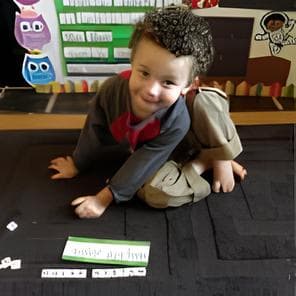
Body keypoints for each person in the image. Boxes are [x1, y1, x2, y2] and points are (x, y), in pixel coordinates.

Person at [49, 5, 246, 218]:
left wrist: (102, 198)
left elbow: (141, 162)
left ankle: (221, 155)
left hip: (194, 129)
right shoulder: (112, 91)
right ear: (132, 63)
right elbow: (95, 130)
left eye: (168, 82)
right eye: (144, 73)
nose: (151, 90)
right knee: (154, 194)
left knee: (205, 101)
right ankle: (203, 161)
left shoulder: (179, 116)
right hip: (166, 151)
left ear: (188, 85)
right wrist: (78, 163)